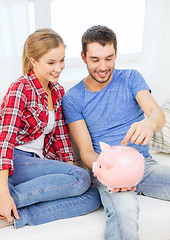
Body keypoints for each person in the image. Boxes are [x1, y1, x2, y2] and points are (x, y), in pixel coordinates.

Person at [62, 25, 170, 240]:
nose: (103, 66)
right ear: (83, 57)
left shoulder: (131, 78)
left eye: (109, 58)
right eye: (95, 60)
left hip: (144, 167)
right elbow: (85, 153)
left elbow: (157, 115)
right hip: (108, 173)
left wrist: (149, 124)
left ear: (116, 54)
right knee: (125, 213)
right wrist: (112, 172)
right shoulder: (73, 98)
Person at [0, 28, 100, 229]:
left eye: (62, 60)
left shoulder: (57, 91)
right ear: (34, 61)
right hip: (16, 160)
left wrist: (68, 167)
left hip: (38, 163)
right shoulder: (20, 88)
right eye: (51, 63)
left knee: (92, 195)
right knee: (81, 177)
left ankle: (19, 214)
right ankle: (8, 201)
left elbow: (61, 137)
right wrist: (2, 192)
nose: (59, 68)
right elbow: (5, 141)